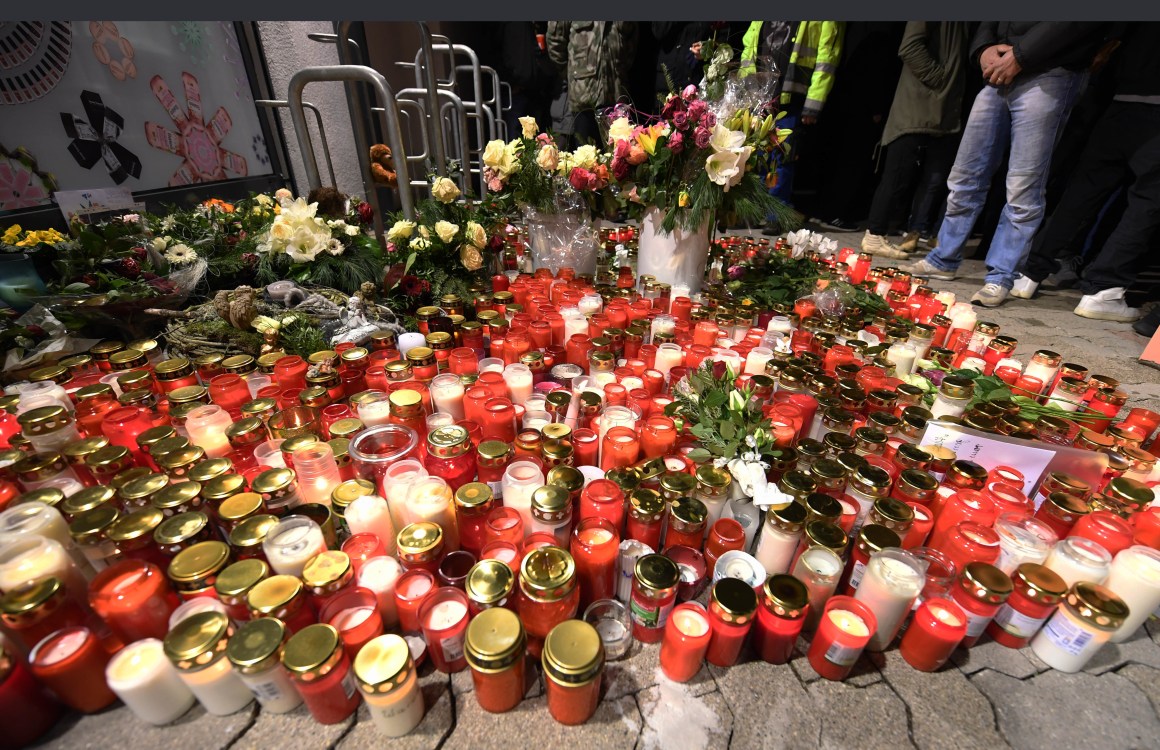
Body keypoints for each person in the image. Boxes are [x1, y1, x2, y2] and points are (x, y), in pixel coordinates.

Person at [904, 22, 1111, 307]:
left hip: (1050, 70)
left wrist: (1021, 56)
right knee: (966, 174)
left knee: (1023, 185)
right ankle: (944, 257)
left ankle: (1001, 275)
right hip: (999, 72)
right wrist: (983, 50)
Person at [1011, 23, 1160, 323]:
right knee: (1147, 201)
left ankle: (1030, 272)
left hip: (1120, 98)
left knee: (1082, 191)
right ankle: (1104, 289)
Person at [861, 22, 970, 259]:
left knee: (925, 177)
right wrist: (941, 79)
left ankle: (898, 232)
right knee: (897, 172)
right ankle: (874, 234)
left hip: (938, 108)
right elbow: (909, 46)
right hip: (918, 105)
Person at [740, 21, 845, 232]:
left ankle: (776, 213)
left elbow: (827, 60)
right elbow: (748, 47)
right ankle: (751, 210)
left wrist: (813, 105)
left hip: (793, 97)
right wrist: (745, 92)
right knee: (753, 154)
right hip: (760, 93)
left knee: (782, 156)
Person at [547, 22, 637, 147]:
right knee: (586, 160)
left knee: (619, 160)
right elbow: (555, 42)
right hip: (583, 100)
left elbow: (631, 42)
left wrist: (618, 71)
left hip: (616, 98)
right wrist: (572, 75)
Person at [499, 23, 557, 141]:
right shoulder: (509, 24)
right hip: (516, 91)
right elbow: (497, 49)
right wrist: (509, 81)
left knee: (537, 141)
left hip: (536, 91)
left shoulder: (536, 24)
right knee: (515, 143)